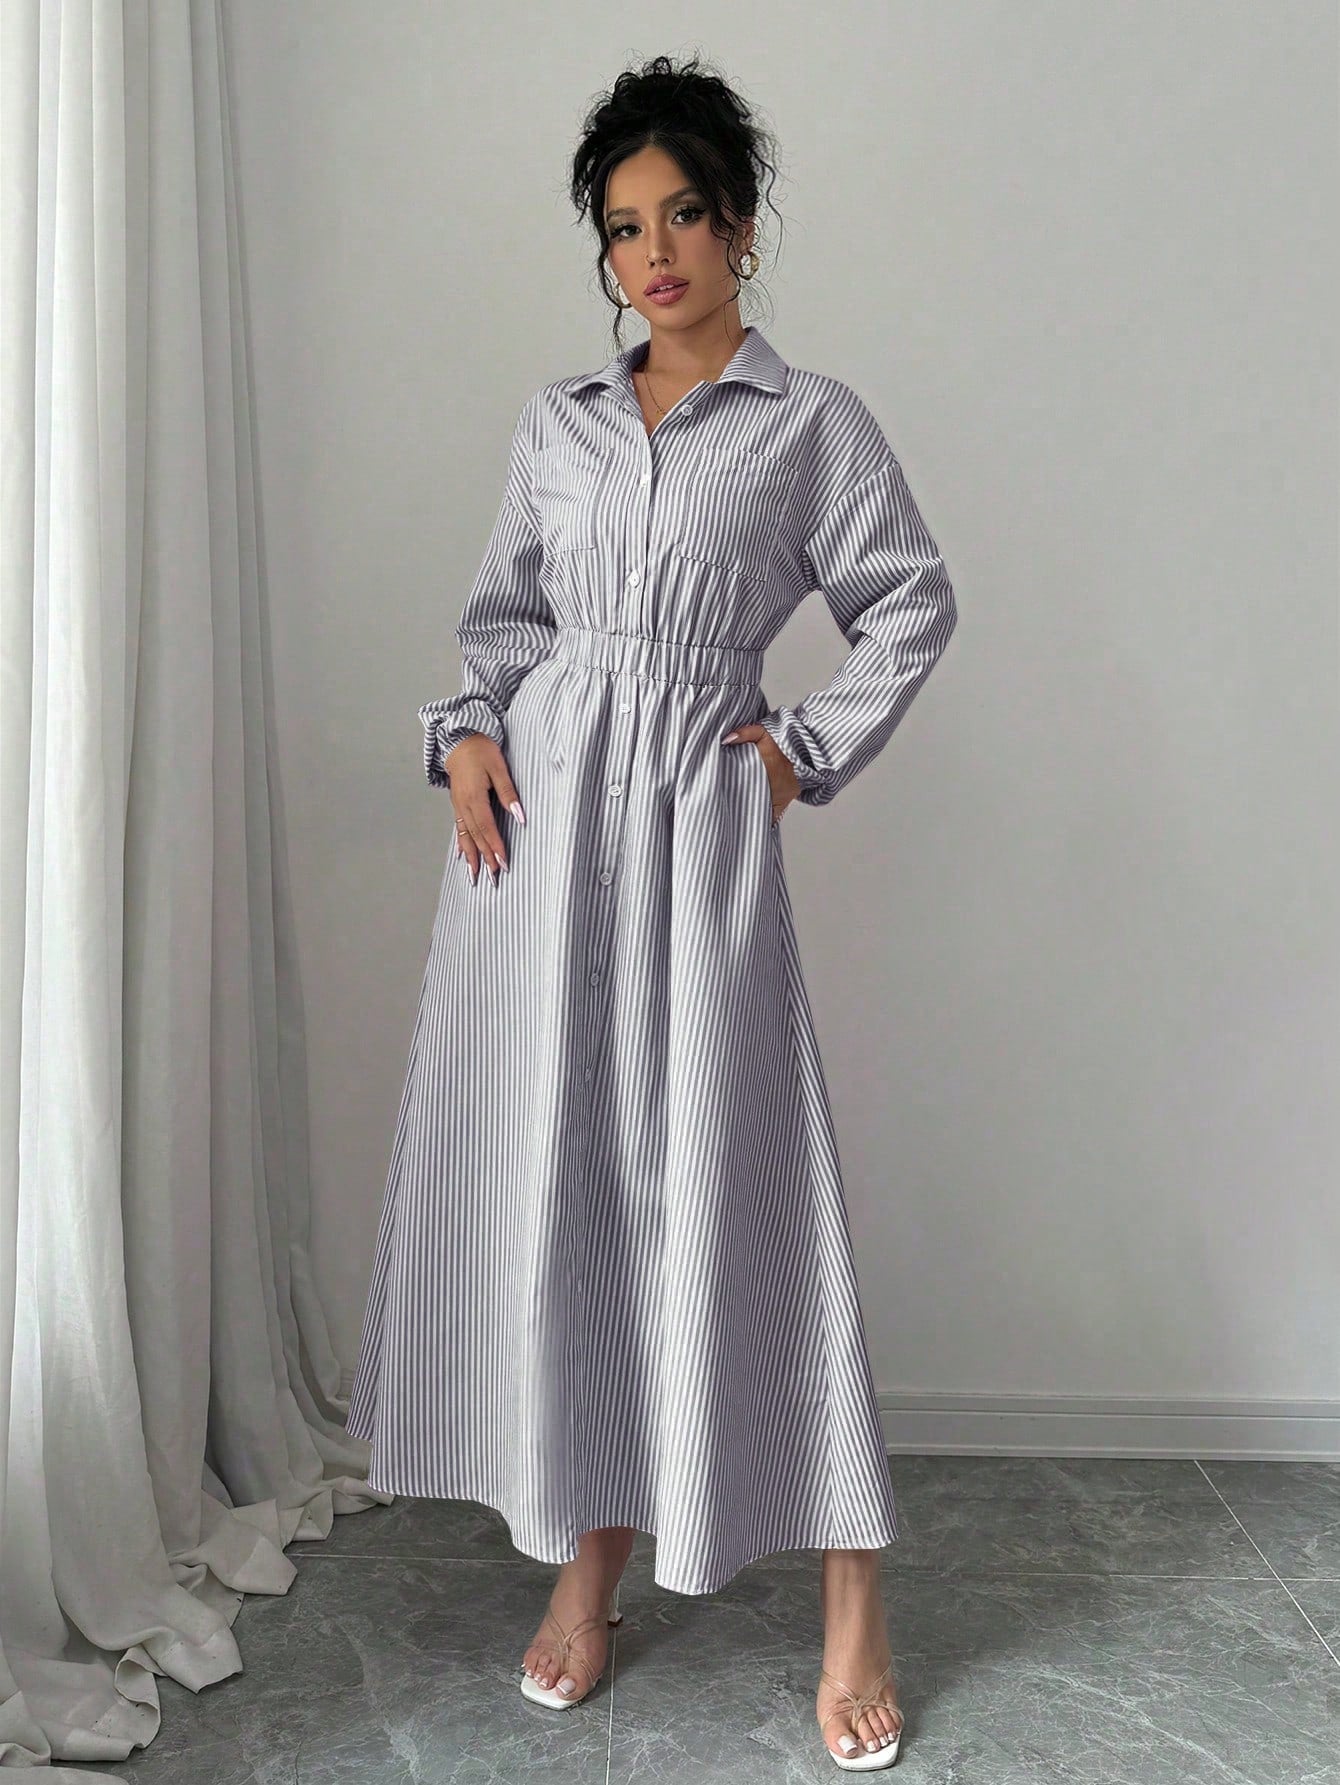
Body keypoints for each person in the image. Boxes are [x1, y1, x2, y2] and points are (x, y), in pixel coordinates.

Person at [345, 52, 958, 1772]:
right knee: (575, 1181)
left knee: (741, 1177)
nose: (656, 251)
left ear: (741, 227)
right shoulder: (557, 423)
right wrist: (467, 736)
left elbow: (911, 599)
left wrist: (799, 754)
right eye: (624, 227)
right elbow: (501, 622)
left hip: (697, 832)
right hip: (537, 851)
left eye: (685, 213)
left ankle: (854, 1597)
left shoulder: (811, 425)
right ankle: (589, 1557)